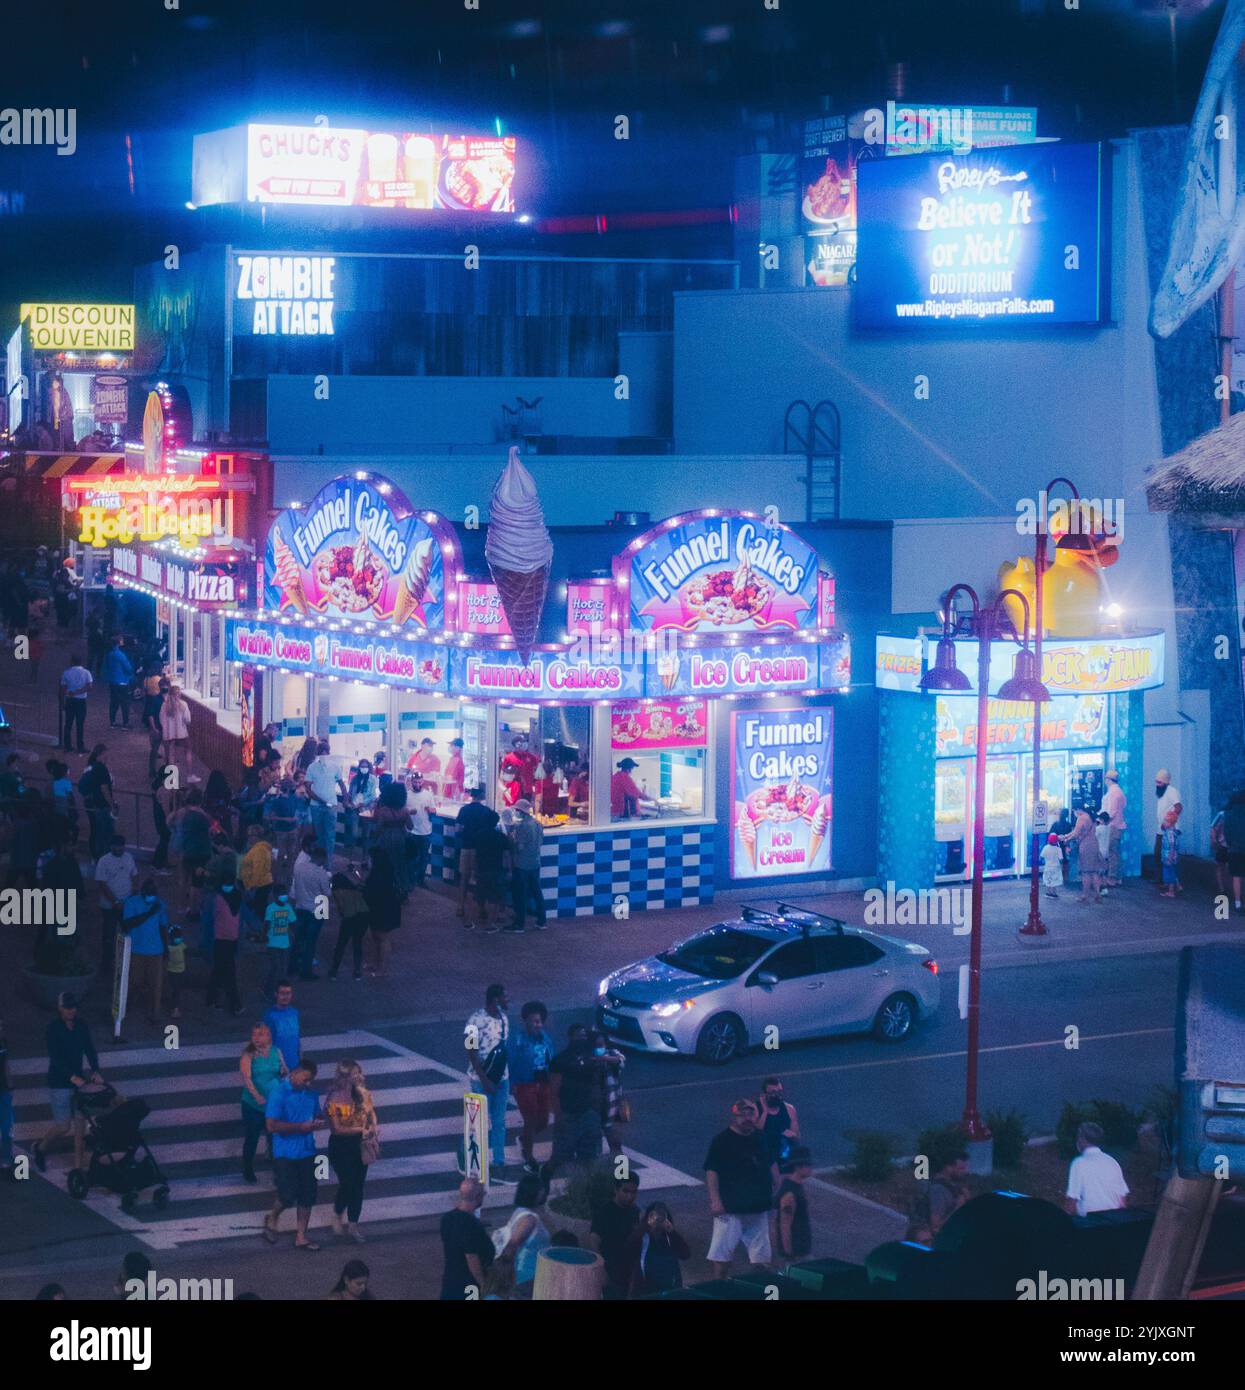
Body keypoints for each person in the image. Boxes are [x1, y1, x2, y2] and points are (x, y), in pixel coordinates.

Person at [703, 1098, 779, 1278]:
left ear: (757, 1114)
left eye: (751, 1113)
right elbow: (712, 1171)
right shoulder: (722, 1141)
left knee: (762, 1260)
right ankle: (719, 1290)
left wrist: (780, 1191)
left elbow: (771, 1163)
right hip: (731, 1209)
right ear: (734, 1117)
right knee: (722, 1258)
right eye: (742, 1114)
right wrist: (715, 1201)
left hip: (758, 1208)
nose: (747, 1117)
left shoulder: (761, 1137)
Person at [32, 993, 102, 1175]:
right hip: (59, 1082)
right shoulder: (53, 1029)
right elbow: (55, 1058)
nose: (71, 1011)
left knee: (80, 1126)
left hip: (78, 1082)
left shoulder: (81, 1026)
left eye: (74, 1007)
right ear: (60, 1008)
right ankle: (40, 1147)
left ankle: (77, 1169)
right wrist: (72, 1077)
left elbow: (89, 1048)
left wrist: (95, 1069)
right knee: (63, 1126)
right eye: (68, 1007)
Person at [263, 1061, 326, 1251]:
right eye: (305, 1079)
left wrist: (319, 1121)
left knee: (308, 1194)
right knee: (288, 1194)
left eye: (311, 1080)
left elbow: (318, 1114)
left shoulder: (311, 1094)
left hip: (307, 1150)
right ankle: (273, 1216)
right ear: (295, 1073)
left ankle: (301, 1236)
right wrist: (300, 1127)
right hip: (285, 1152)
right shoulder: (279, 1093)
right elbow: (271, 1125)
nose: (308, 1084)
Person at [324, 1059, 379, 1242]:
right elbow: (336, 1128)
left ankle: (353, 1225)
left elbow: (372, 1114)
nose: (359, 1075)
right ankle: (338, 1213)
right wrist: (360, 1129)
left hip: (361, 1145)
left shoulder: (364, 1093)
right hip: (341, 1146)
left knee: (358, 1186)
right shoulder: (334, 1097)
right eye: (354, 1072)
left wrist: (374, 1128)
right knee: (348, 1184)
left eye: (359, 1071)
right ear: (345, 1077)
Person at [464, 983, 513, 1182]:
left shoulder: (504, 1018)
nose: (507, 1000)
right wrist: (484, 1080)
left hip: (502, 1079)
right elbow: (471, 1051)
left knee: (499, 1122)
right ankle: (475, 1163)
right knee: (478, 1124)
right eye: (504, 997)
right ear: (495, 999)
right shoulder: (474, 1021)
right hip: (479, 1080)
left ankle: (498, 1161)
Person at [548, 1023, 604, 1173]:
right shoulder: (561, 1060)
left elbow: (596, 1083)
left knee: (589, 1156)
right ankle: (546, 1179)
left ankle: (582, 1187)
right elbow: (554, 1089)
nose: (582, 1038)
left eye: (584, 1035)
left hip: (588, 1113)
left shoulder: (591, 1058)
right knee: (561, 1156)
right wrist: (558, 1115)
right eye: (579, 1035)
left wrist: (597, 1111)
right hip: (568, 1113)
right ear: (571, 1037)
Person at [509, 1001, 554, 1174]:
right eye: (535, 1021)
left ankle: (524, 1139)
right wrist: (512, 1083)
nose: (538, 1024)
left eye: (540, 1021)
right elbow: (510, 1062)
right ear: (526, 1021)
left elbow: (551, 1057)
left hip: (543, 1083)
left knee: (542, 1121)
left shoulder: (545, 1037)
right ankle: (529, 1157)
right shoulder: (518, 1040)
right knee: (530, 1120)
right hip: (524, 1084)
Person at [491, 1173, 551, 1298]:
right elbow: (512, 1245)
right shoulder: (528, 1219)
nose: (544, 1192)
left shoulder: (520, 1212)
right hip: (528, 1277)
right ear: (534, 1193)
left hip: (528, 1276)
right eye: (541, 1189)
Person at [240, 1022, 286, 1184]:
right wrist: (257, 1095)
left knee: (274, 1138)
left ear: (268, 1036)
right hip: (252, 1105)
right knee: (252, 1137)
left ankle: (277, 1172)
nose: (256, 1038)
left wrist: (283, 1071)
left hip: (273, 1105)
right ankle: (247, 1168)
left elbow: (283, 1070)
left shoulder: (276, 1052)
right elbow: (247, 1078)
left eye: (261, 1034)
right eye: (254, 1035)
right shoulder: (248, 1055)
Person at [121, 879, 169, 1025]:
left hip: (156, 950)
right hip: (136, 949)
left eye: (153, 894)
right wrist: (149, 913)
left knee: (156, 984)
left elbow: (163, 927)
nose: (151, 897)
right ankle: (126, 1006)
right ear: (142, 892)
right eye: (148, 894)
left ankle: (155, 1014)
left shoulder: (160, 904)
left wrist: (166, 948)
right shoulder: (131, 903)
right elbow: (127, 923)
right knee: (135, 981)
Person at [623, 1201, 691, 1297]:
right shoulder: (642, 1236)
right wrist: (645, 1227)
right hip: (645, 1288)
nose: (657, 1220)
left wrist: (672, 1232)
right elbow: (628, 1249)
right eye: (654, 1216)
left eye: (661, 1217)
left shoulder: (669, 1236)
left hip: (669, 1286)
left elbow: (685, 1254)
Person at [440, 1179, 494, 1300]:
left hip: (450, 1281)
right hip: (468, 1285)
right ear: (478, 1197)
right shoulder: (470, 1225)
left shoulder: (447, 1218)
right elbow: (471, 1258)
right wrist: (484, 1285)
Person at [589, 1172, 641, 1297]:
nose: (630, 1196)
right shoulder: (605, 1212)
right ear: (616, 1190)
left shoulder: (634, 1211)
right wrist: (601, 1270)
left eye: (633, 1192)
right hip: (611, 1271)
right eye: (625, 1191)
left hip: (630, 1271)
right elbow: (594, 1240)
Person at [906, 1144, 970, 1243]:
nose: (965, 1172)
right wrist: (958, 1207)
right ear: (948, 1168)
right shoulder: (938, 1190)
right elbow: (935, 1227)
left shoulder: (954, 1187)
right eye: (961, 1169)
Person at [1065, 1120, 1129, 1217]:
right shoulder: (1112, 1162)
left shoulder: (1079, 1163)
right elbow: (1122, 1200)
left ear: (1082, 1140)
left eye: (1078, 1137)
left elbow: (1071, 1201)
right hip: (1114, 1219)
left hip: (1091, 1222)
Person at [455, 786, 499, 922]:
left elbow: (457, 829)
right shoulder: (486, 811)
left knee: (464, 878)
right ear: (481, 796)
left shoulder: (464, 810)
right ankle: (481, 909)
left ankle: (461, 907)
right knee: (479, 880)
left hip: (466, 847)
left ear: (472, 796)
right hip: (480, 850)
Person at [94, 833, 136, 974]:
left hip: (125, 904)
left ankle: (126, 961)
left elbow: (134, 875)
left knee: (128, 933)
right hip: (110, 906)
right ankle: (106, 965)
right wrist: (115, 902)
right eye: (116, 846)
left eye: (121, 846)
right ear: (111, 846)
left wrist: (132, 897)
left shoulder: (129, 857)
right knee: (108, 935)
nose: (119, 849)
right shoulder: (103, 861)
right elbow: (102, 884)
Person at [292, 840, 332, 981]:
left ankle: (292, 967)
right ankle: (306, 971)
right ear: (321, 858)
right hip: (316, 910)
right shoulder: (321, 873)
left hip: (301, 907)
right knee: (310, 942)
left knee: (297, 939)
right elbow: (327, 893)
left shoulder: (299, 867)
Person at [171, 788, 213, 915]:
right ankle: (194, 909)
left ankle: (181, 907)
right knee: (196, 883)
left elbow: (171, 824)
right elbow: (210, 831)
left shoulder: (183, 813)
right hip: (201, 852)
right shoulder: (203, 816)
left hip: (186, 850)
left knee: (183, 880)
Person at [507, 799, 546, 932]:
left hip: (522, 864)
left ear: (521, 812)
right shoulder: (538, 824)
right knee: (537, 892)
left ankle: (519, 924)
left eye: (517, 810)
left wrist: (511, 840)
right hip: (535, 862)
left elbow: (520, 848)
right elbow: (541, 842)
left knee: (520, 894)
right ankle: (542, 921)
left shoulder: (522, 826)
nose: (515, 812)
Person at [363, 849, 402, 978]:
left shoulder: (380, 876)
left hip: (384, 911)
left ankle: (382, 968)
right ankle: (375, 963)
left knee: (383, 938)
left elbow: (374, 893)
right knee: (375, 937)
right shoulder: (379, 873)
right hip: (378, 910)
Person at [206, 880, 244, 1015]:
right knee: (228, 972)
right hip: (229, 940)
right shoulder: (237, 898)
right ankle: (233, 1003)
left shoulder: (218, 899)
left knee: (220, 971)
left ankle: (213, 1000)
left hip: (221, 940)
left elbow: (212, 917)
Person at [306, 740, 346, 866]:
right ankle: (320, 862)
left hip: (330, 806)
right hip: (316, 806)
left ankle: (328, 863)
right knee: (319, 835)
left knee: (330, 835)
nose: (324, 754)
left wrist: (345, 798)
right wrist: (319, 800)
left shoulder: (335, 766)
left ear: (329, 753)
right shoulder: (312, 767)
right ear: (318, 753)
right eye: (321, 752)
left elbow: (341, 783)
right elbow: (307, 788)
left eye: (325, 752)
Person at [773, 1146, 814, 1262]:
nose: (811, 1168)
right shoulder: (790, 1194)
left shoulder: (796, 1187)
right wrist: (788, 1253)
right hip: (796, 1251)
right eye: (808, 1165)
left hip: (801, 1248)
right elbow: (784, 1225)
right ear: (799, 1167)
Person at [329, 867, 370, 981]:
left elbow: (342, 909)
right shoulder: (354, 890)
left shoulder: (337, 892)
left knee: (341, 944)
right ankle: (357, 971)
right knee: (357, 943)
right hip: (363, 916)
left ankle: (334, 971)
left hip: (350, 917)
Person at [592, 1030, 627, 1156]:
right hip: (595, 1104)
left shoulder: (612, 1054)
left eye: (602, 1045)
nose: (599, 1048)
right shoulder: (588, 1057)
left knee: (613, 1135)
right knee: (595, 1135)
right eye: (596, 1046)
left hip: (612, 1103)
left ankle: (619, 1166)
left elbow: (621, 1061)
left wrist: (604, 1058)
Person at [473, 822, 511, 933]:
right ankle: (491, 923)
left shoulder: (478, 835)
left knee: (481, 892)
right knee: (495, 896)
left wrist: (474, 869)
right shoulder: (501, 837)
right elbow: (506, 854)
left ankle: (481, 912)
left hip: (482, 868)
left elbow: (475, 854)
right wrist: (509, 870)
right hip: (496, 869)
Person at [79, 745, 115, 860]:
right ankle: (102, 858)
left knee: (95, 830)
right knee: (104, 832)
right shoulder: (101, 768)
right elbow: (104, 789)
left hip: (91, 802)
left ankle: (95, 856)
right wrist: (112, 805)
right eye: (106, 754)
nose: (108, 756)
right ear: (102, 753)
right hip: (101, 805)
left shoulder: (90, 767)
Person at [757, 1076, 800, 1170]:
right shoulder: (756, 1109)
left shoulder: (789, 1109)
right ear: (764, 1094)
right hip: (765, 1157)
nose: (777, 1095)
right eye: (772, 1092)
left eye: (779, 1091)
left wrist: (792, 1135)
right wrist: (764, 1111)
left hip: (784, 1155)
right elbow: (756, 1133)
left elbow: (797, 1136)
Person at [240, 824, 274, 938]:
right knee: (260, 908)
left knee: (258, 910)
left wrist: (251, 886)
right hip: (262, 883)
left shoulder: (259, 850)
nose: (249, 838)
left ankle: (259, 932)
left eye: (250, 835)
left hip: (258, 885)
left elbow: (258, 869)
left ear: (257, 836)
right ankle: (260, 931)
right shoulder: (261, 848)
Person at [264, 885, 297, 998]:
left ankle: (278, 992)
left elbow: (293, 923)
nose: (284, 896)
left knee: (282, 969)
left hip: (285, 943)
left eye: (285, 894)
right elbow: (266, 924)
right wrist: (264, 936)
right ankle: (268, 991)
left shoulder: (288, 907)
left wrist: (294, 935)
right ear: (275, 896)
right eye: (281, 894)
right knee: (276, 968)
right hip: (272, 943)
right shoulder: (270, 908)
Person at [1063, 807, 1102, 904]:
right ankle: (1098, 894)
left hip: (1086, 846)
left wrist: (1066, 840)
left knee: (1086, 872)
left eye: (1074, 812)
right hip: (1094, 844)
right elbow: (1076, 832)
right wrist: (1066, 836)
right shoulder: (1090, 817)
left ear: (1077, 810)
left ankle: (1085, 895)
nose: (1074, 814)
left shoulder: (1082, 818)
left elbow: (1076, 833)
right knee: (1094, 871)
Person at [1153, 768, 1183, 889]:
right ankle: (1164, 880)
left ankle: (1170, 883)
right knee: (1158, 856)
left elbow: (1179, 807)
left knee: (1168, 858)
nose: (1157, 784)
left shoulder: (1171, 791)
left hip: (1169, 831)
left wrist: (1169, 821)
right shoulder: (1162, 792)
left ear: (1166, 782)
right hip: (1161, 830)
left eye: (1159, 782)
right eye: (1156, 782)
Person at [343, 759, 379, 859]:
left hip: (367, 809)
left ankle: (364, 858)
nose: (364, 768)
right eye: (362, 766)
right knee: (353, 834)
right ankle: (351, 857)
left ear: (369, 767)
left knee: (366, 835)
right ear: (359, 768)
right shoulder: (354, 779)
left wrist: (363, 804)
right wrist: (347, 801)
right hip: (354, 809)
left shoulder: (373, 779)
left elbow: (374, 796)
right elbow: (350, 793)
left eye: (366, 766)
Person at [264, 981, 302, 1072]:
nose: (286, 997)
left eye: (288, 993)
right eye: (282, 993)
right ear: (276, 994)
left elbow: (297, 1038)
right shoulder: (269, 1016)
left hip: (295, 1065)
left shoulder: (295, 1013)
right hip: (277, 1067)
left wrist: (301, 1060)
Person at [406, 772, 435, 887]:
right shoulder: (407, 795)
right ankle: (411, 879)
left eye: (419, 782)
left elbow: (433, 810)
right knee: (411, 857)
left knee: (424, 857)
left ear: (422, 782)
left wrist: (430, 810)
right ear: (411, 782)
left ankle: (421, 879)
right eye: (415, 782)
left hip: (425, 831)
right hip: (411, 831)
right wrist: (409, 812)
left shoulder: (428, 795)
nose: (417, 784)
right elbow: (403, 811)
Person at [59, 655, 92, 752]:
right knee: (80, 724)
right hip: (81, 701)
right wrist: (79, 692)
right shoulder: (86, 672)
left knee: (68, 723)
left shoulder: (66, 673)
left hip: (70, 700)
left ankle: (68, 746)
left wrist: (62, 702)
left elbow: (62, 689)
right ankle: (80, 746)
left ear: (72, 662)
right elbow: (89, 687)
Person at [159, 686, 193, 778]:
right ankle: (189, 775)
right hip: (181, 734)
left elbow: (161, 720)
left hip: (168, 735)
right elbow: (188, 720)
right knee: (188, 751)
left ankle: (172, 779)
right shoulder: (183, 705)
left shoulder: (164, 705)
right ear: (179, 694)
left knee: (171, 756)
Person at [1101, 769, 1127, 887]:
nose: (1105, 780)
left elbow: (1111, 812)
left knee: (1112, 853)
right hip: (1117, 825)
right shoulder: (1119, 792)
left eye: (1106, 778)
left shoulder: (1113, 793)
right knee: (1115, 852)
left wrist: (1101, 821)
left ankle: (1112, 878)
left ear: (1109, 780)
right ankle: (1118, 877)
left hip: (1113, 826)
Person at [103, 635, 134, 729]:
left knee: (114, 703)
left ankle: (112, 722)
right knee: (125, 703)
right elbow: (128, 667)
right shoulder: (120, 655)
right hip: (123, 682)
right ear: (119, 643)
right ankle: (125, 723)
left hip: (113, 682)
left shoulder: (110, 654)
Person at [1222, 787, 1245, 914]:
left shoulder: (1229, 814)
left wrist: (1230, 843)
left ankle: (1237, 903)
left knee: (1237, 876)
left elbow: (1227, 832)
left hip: (1235, 848)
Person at [165, 922, 187, 1019]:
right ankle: (175, 1009)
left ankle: (173, 1006)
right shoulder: (180, 946)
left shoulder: (169, 948)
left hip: (174, 971)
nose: (178, 938)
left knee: (174, 990)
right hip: (176, 971)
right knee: (176, 991)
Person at [204, 770, 234, 839]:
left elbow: (206, 804)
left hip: (212, 816)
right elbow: (228, 802)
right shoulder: (226, 789)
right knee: (225, 834)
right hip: (223, 815)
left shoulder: (209, 790)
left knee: (213, 835)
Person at [1159, 809, 1182, 899]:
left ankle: (1171, 891)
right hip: (1169, 855)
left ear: (1171, 822)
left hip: (1169, 855)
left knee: (1170, 872)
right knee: (1171, 871)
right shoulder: (1170, 831)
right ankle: (1177, 886)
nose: (1164, 822)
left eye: (1166, 821)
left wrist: (1170, 857)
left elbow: (1172, 846)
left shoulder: (1170, 833)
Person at [0, 1016, 12, 1172]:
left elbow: (6, 1064)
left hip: (3, 1090)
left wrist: (10, 1085)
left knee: (7, 1126)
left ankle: (6, 1157)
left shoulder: (3, 1042)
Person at [1050, 806, 1074, 883]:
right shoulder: (1068, 825)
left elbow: (1051, 834)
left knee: (1057, 862)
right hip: (1065, 844)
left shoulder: (1055, 824)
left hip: (1056, 845)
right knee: (1065, 862)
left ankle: (1057, 878)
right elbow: (1071, 834)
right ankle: (1065, 878)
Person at [1093, 811, 1112, 896]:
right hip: (1106, 852)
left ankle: (1099, 889)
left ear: (1101, 820)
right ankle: (1104, 888)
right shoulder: (1108, 828)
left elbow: (1094, 837)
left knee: (1098, 872)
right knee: (1104, 871)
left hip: (1099, 852)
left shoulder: (1099, 828)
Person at [1040, 832, 1064, 898]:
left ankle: (1048, 892)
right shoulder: (1058, 849)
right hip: (1056, 867)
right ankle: (1054, 893)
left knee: (1048, 879)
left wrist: (1043, 861)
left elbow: (1041, 857)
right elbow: (1061, 859)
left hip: (1048, 866)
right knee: (1054, 880)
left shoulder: (1046, 847)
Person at [442, 738, 466, 802]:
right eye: (451, 745)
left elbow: (460, 780)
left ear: (458, 748)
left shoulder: (458, 761)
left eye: (452, 745)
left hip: (453, 793)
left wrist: (456, 792)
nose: (450, 747)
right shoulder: (452, 758)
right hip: (448, 790)